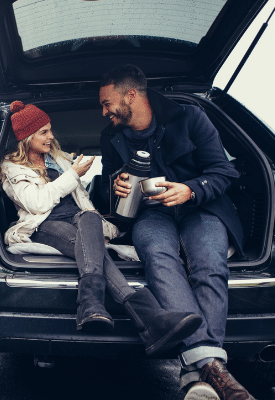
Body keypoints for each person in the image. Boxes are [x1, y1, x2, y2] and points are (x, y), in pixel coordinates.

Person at [99, 65, 255, 400]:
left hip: (202, 208)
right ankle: (214, 367)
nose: (103, 111)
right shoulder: (110, 138)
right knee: (159, 258)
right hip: (150, 215)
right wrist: (115, 186)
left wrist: (190, 189)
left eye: (106, 102)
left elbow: (223, 171)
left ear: (130, 95)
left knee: (210, 264)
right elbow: (105, 192)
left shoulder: (191, 117)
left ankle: (194, 373)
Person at [0, 100, 202, 357]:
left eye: (51, 130)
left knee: (90, 219)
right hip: (44, 226)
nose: (51, 136)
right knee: (95, 250)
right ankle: (149, 319)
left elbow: (84, 202)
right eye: (44, 132)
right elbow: (36, 204)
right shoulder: (11, 168)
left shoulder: (58, 160)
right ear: (26, 138)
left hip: (82, 222)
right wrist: (73, 174)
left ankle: (92, 303)